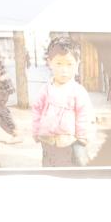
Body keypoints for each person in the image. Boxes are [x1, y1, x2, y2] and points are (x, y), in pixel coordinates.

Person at [31, 35, 92, 167]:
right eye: (59, 64)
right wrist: (36, 131)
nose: (64, 70)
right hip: (47, 139)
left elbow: (83, 114)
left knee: (71, 166)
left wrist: (81, 136)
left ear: (77, 64)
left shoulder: (78, 91)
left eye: (69, 64)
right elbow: (36, 110)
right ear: (50, 62)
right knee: (48, 165)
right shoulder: (45, 90)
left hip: (69, 140)